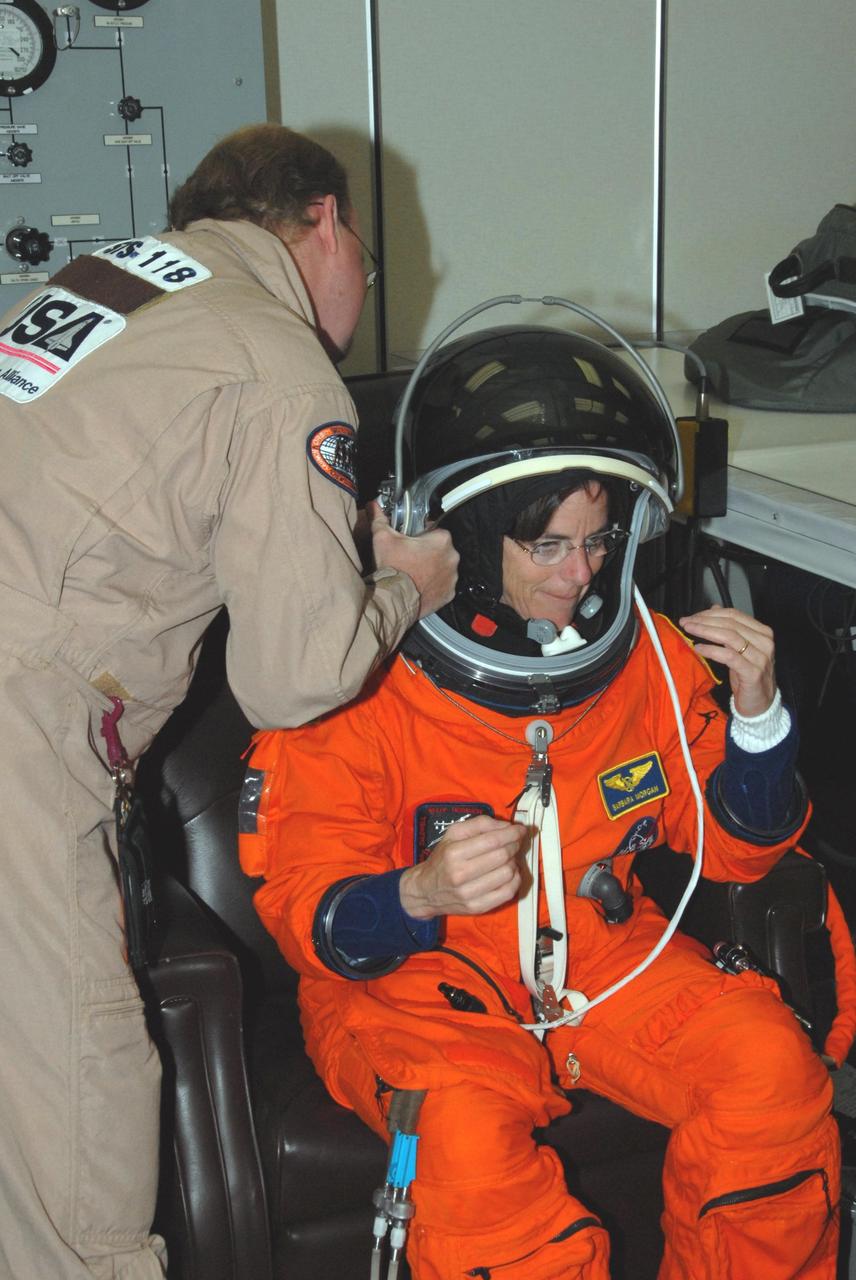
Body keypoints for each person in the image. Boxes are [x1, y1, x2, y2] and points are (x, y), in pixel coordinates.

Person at [242, 323, 841, 1280]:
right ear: (469, 545)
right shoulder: (353, 684)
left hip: (605, 963)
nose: (583, 573)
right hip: (416, 993)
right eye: (548, 545)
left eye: (600, 540)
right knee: (470, 1151)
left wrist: (760, 720)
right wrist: (417, 896)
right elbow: (313, 922)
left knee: (769, 1073)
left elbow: (736, 856)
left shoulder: (641, 657)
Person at [0, 123, 457, 1279]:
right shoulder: (273, 354)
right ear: (322, 222)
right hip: (16, 725)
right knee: (76, 1131)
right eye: (363, 242)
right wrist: (401, 589)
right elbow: (296, 676)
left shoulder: (103, 288)